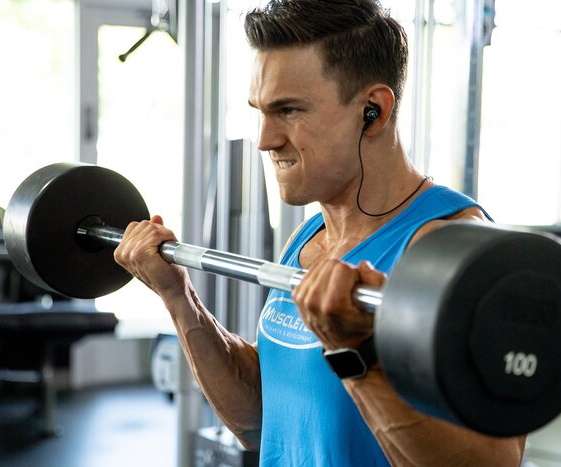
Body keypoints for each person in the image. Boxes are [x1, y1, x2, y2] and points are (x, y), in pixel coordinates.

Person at [115, 0, 526, 465]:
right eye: (261, 111)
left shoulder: (454, 250)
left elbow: (495, 462)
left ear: (374, 110)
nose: (265, 139)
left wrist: (358, 355)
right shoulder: (310, 237)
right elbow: (258, 421)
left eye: (288, 110)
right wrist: (177, 297)